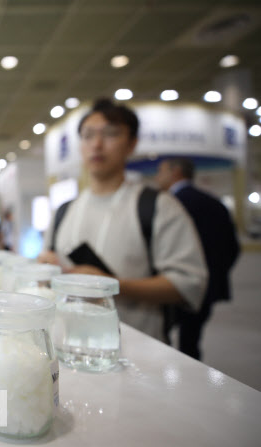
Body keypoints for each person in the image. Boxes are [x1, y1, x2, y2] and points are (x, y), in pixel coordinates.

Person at [38, 98, 208, 341]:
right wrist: (46, 268)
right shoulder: (63, 211)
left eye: (110, 134)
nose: (97, 144)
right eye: (88, 135)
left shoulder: (158, 206)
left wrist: (113, 284)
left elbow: (188, 284)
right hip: (68, 342)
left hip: (140, 347)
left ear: (132, 143)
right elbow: (48, 266)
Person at [155, 157, 240, 359]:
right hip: (209, 287)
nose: (158, 177)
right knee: (191, 342)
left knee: (159, 340)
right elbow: (233, 248)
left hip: (171, 287)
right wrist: (213, 274)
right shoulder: (215, 203)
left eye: (161, 171)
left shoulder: (169, 205)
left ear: (175, 172)